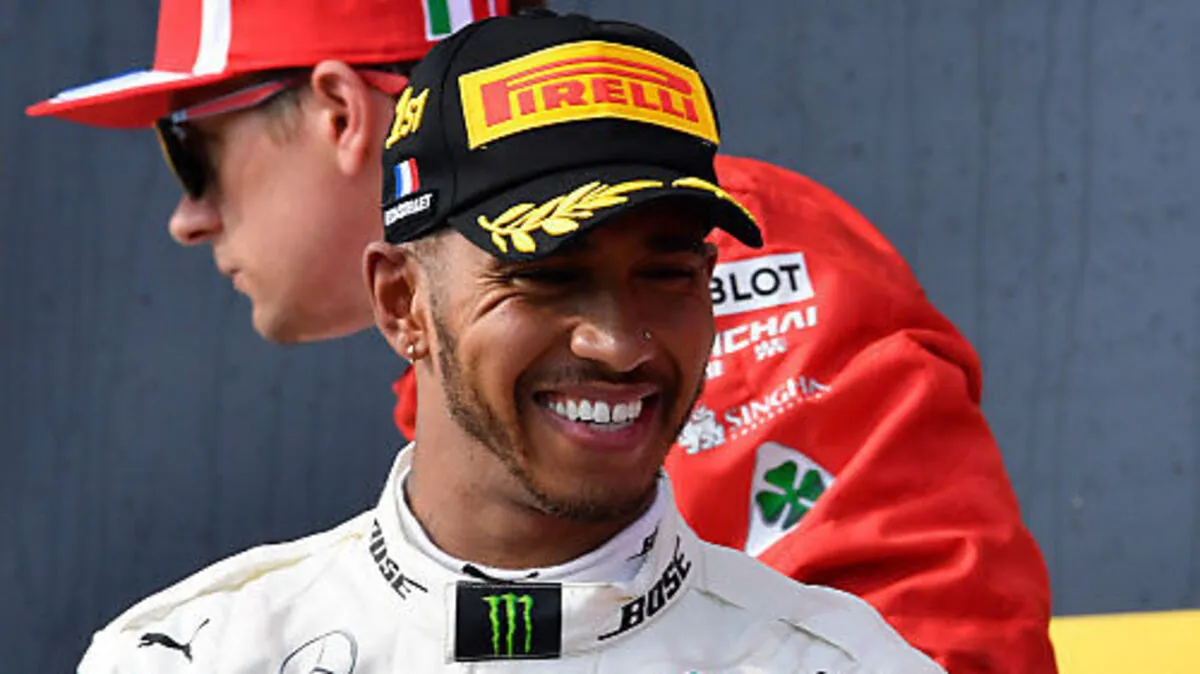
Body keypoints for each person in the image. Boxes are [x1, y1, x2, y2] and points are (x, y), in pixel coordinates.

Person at [28, 1, 1055, 671]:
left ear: (339, 111)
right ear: (403, 302)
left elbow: (935, 636)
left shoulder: (744, 260)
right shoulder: (198, 639)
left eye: (191, 147)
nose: (189, 215)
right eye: (547, 271)